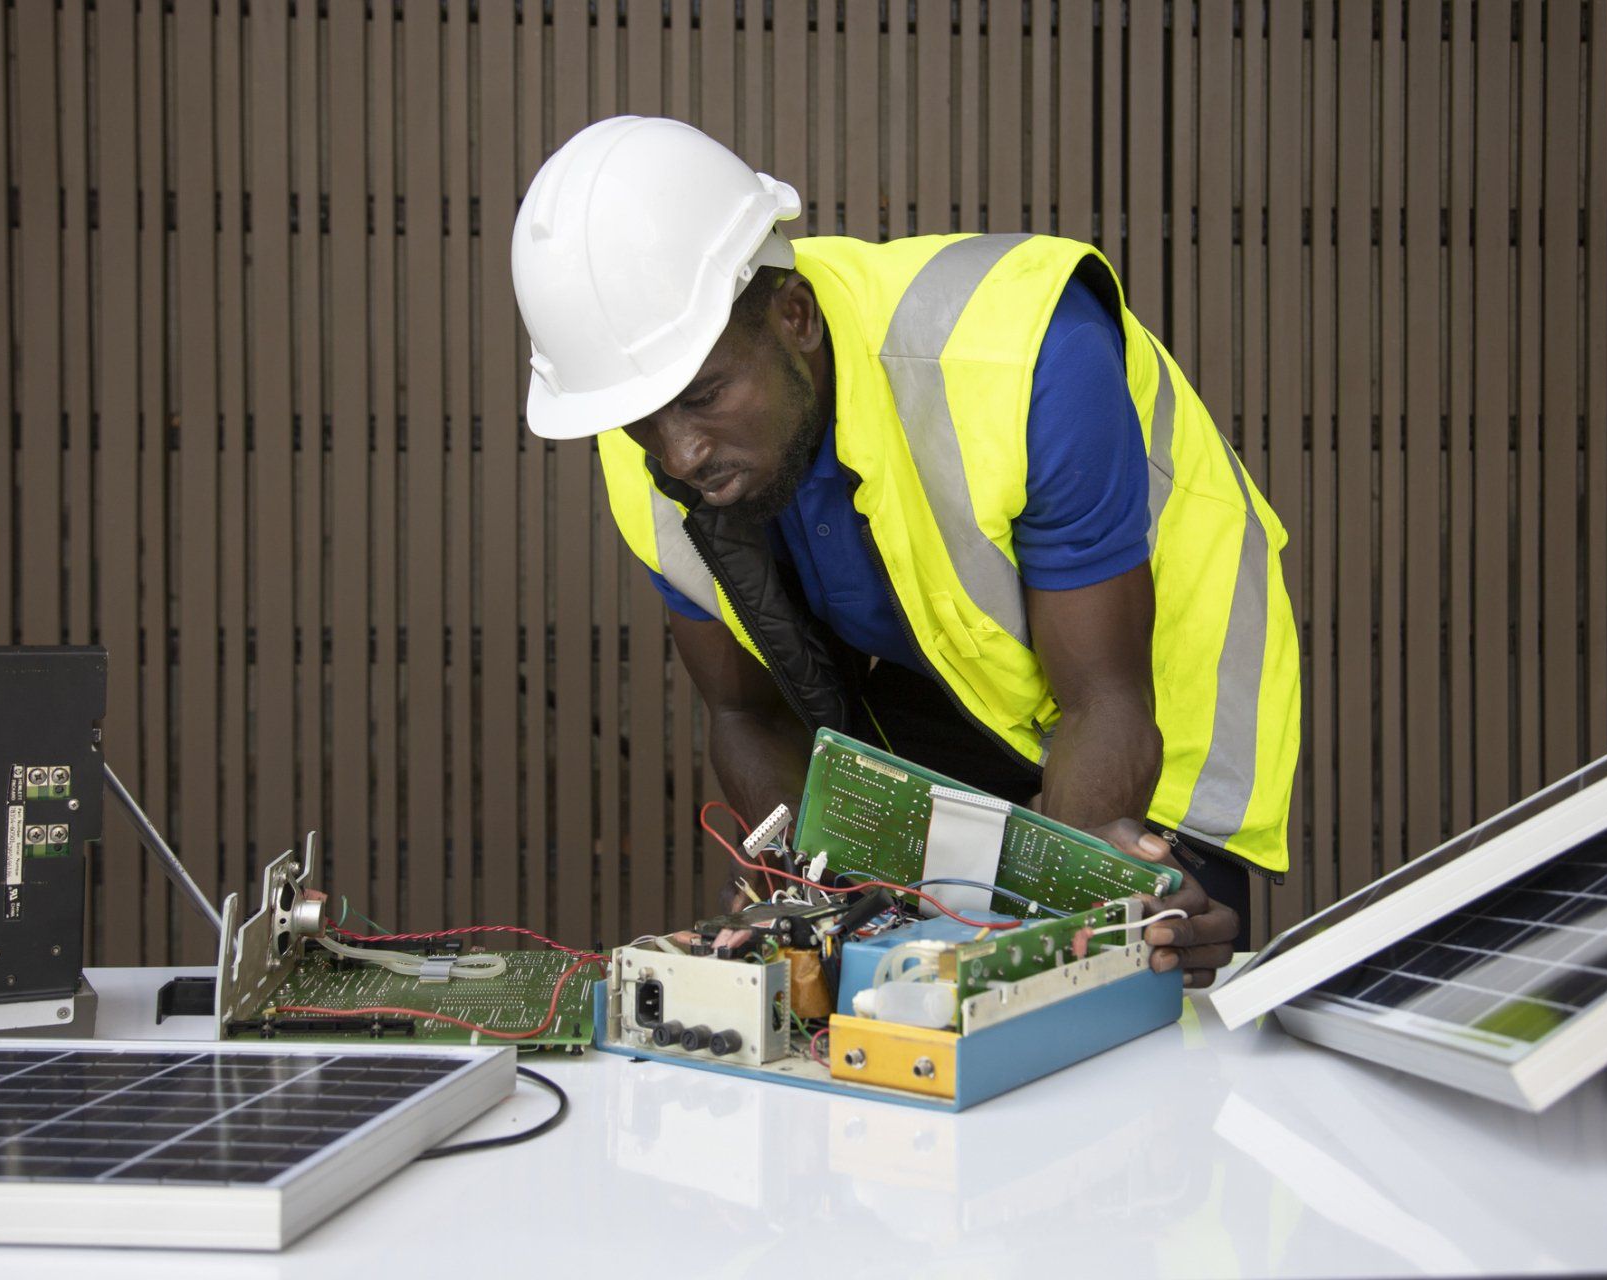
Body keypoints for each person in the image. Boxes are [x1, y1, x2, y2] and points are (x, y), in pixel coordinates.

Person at [511, 117, 1300, 987]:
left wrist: (1063, 923)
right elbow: (747, 715)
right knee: (885, 1005)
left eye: (703, 395)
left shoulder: (1024, 351)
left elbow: (1104, 698)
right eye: (643, 417)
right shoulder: (651, 457)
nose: (680, 455)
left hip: (1144, 695)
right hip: (951, 686)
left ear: (794, 317)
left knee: (1118, 986)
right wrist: (805, 899)